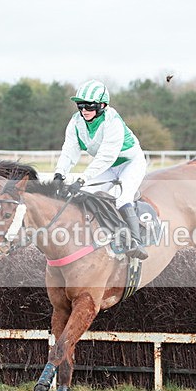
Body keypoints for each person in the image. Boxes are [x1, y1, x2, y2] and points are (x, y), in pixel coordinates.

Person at [52, 80, 149, 260]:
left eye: (89, 106)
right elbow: (69, 150)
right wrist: (59, 173)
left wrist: (81, 179)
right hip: (108, 166)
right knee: (83, 195)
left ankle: (136, 242)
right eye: (80, 105)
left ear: (103, 105)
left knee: (122, 199)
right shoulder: (75, 122)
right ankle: (97, 235)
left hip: (130, 163)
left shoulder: (113, 121)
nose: (84, 110)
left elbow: (106, 156)